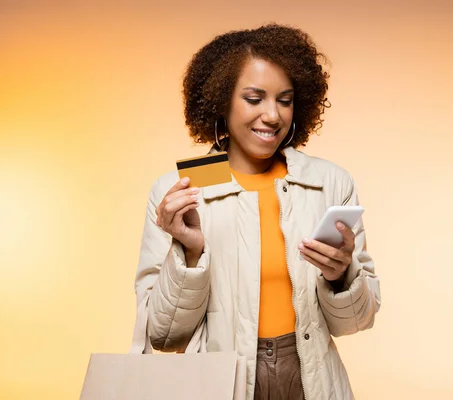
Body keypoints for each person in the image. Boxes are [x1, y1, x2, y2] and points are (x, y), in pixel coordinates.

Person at [132, 23, 381, 400]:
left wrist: (342, 275)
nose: (273, 115)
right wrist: (189, 251)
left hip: (311, 380)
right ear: (221, 101)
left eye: (284, 99)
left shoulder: (329, 182)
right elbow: (163, 334)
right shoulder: (183, 189)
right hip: (221, 383)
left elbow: (357, 321)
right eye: (254, 99)